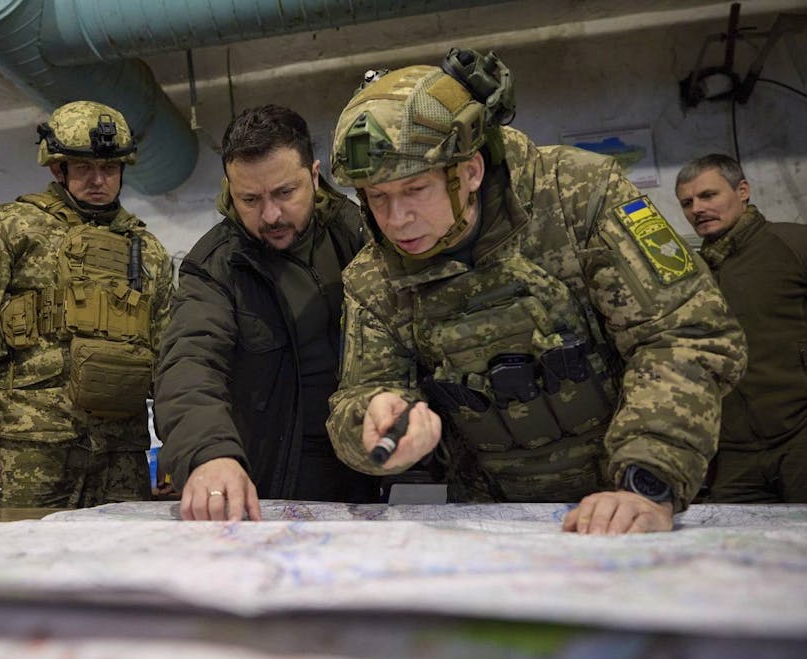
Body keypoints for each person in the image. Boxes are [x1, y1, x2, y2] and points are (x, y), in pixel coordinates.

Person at [325, 49, 747, 534]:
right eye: (377, 198)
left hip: (631, 495)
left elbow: (684, 334)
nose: (396, 220)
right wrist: (371, 420)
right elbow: (357, 396)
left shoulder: (580, 195)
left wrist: (647, 481)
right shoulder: (372, 276)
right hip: (495, 523)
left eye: (416, 190)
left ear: (471, 170)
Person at [0, 100, 174, 508]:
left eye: (109, 169)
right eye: (83, 168)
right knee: (14, 566)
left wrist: (179, 442)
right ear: (57, 169)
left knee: (117, 567)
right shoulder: (11, 226)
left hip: (121, 453)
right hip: (27, 444)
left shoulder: (147, 250)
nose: (99, 180)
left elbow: (170, 355)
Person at [154, 104, 379, 521]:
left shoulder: (363, 233)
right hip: (279, 479)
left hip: (376, 470)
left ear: (314, 175)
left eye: (284, 193)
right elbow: (189, 363)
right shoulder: (216, 265)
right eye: (250, 199)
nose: (271, 215)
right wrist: (209, 453)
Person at [675, 154, 807, 502]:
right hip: (733, 454)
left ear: (742, 190)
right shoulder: (692, 271)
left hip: (799, 437)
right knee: (731, 549)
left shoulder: (792, 244)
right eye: (687, 203)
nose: (697, 209)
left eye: (708, 195)